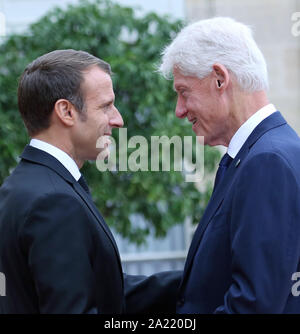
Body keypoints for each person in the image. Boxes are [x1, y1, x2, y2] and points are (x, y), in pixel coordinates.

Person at [0, 49, 180, 314]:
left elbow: (102, 291)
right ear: (66, 111)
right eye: (106, 106)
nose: (118, 119)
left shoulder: (25, 186)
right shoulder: (53, 201)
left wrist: (198, 278)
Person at [159, 17, 300, 313]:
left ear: (220, 79)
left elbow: (253, 305)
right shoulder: (258, 154)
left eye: (184, 92)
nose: (179, 110)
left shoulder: (266, 161)